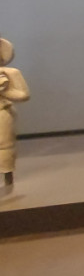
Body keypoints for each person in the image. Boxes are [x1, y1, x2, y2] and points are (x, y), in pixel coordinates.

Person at [0, 37, 30, 186]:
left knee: (4, 145)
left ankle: (7, 175)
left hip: (2, 112)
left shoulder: (10, 73)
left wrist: (5, 91)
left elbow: (23, 95)